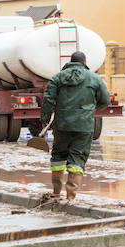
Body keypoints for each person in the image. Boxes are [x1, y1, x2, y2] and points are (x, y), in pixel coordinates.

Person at [39, 51, 110, 201]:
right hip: (84, 126)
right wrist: (91, 108)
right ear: (85, 62)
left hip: (62, 125)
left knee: (58, 156)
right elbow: (105, 101)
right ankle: (71, 197)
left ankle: (56, 192)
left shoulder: (57, 78)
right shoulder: (95, 78)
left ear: (70, 62)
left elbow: (48, 99)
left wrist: (45, 119)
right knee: (78, 158)